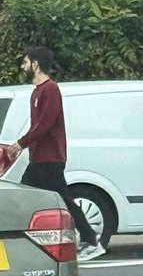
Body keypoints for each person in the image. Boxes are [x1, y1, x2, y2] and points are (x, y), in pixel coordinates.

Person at [4, 47, 104, 261]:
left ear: (36, 64)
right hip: (40, 158)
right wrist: (23, 145)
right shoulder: (37, 92)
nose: (22, 67)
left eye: (25, 62)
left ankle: (90, 240)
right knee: (35, 198)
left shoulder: (50, 90)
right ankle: (41, 240)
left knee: (53, 199)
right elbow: (38, 126)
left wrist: (20, 143)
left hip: (50, 158)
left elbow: (46, 124)